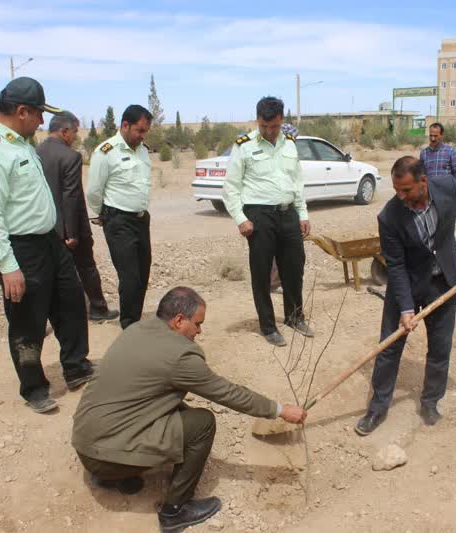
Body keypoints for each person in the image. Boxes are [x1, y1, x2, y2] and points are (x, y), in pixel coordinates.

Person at [71, 286, 307, 533]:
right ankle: (175, 511)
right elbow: (229, 393)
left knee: (174, 406)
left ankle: (113, 476)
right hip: (104, 458)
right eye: (197, 324)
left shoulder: (137, 329)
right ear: (179, 320)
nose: (200, 330)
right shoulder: (180, 356)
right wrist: (280, 410)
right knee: (202, 424)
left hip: (86, 445)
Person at [0, 77, 94, 413]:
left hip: (48, 241)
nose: (41, 122)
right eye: (38, 114)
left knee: (71, 303)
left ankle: (77, 367)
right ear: (22, 112)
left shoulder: (20, 143)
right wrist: (7, 266)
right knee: (28, 319)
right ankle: (34, 388)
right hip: (19, 247)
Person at [355, 156, 456, 436]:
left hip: (444, 283)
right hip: (407, 286)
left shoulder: (449, 188)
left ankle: (430, 401)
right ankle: (377, 407)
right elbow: (396, 266)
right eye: (397, 190)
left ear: (423, 181)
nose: (401, 197)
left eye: (406, 190)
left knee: (440, 347)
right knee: (389, 348)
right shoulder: (389, 216)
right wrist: (405, 308)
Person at [222, 97, 312, 347]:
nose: (269, 132)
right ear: (258, 121)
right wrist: (241, 218)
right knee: (262, 274)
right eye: (264, 126)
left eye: (274, 126)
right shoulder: (244, 145)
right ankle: (268, 326)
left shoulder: (290, 144)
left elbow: (297, 182)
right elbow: (231, 187)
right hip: (259, 216)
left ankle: (295, 317)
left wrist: (302, 213)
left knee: (294, 269)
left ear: (282, 121)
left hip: (288, 214)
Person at [36, 111, 118, 322]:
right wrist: (72, 233)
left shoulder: (35, 153)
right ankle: (97, 309)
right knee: (86, 267)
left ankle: (48, 315)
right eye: (74, 132)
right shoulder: (70, 156)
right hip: (70, 228)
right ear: (64, 131)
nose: (75, 137)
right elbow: (70, 196)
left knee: (50, 272)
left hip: (44, 225)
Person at [86, 105, 153, 329]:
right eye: (139, 130)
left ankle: (135, 318)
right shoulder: (106, 152)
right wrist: (102, 214)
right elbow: (94, 191)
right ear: (125, 125)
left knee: (143, 273)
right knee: (130, 276)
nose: (142, 136)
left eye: (146, 132)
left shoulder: (142, 150)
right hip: (119, 221)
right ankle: (129, 324)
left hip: (141, 219)